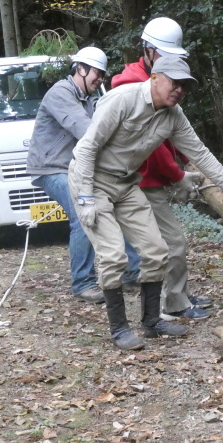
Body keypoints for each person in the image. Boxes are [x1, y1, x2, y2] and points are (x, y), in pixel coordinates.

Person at [68, 55, 223, 350]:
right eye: (174, 82)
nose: (179, 90)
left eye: (184, 86)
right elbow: (88, 147)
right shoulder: (122, 99)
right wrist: (86, 197)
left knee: (157, 251)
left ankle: (151, 322)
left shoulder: (173, 116)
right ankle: (119, 329)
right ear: (155, 77)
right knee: (114, 256)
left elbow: (200, 153)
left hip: (126, 184)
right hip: (92, 180)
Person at [111, 17, 212, 321]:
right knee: (171, 243)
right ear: (150, 51)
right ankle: (172, 305)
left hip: (150, 177)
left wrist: (188, 160)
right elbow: (151, 146)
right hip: (138, 180)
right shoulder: (130, 84)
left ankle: (176, 295)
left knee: (169, 242)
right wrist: (178, 175)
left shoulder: (165, 81)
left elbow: (174, 128)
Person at [26, 46, 140, 304]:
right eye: (96, 74)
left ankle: (134, 273)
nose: (99, 79)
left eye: (102, 75)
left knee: (113, 205)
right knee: (83, 213)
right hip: (51, 168)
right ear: (80, 69)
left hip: (79, 168)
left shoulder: (90, 96)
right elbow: (87, 131)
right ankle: (83, 282)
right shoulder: (61, 93)